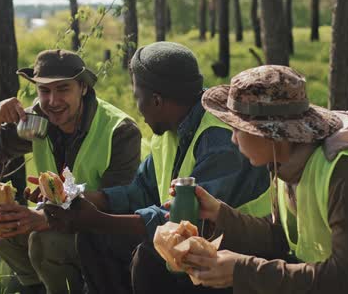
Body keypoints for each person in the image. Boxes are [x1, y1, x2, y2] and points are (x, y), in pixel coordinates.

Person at [44, 42, 272, 294]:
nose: (137, 107)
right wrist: (81, 199)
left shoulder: (219, 139)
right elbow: (140, 191)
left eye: (137, 97)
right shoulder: (169, 128)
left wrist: (99, 219)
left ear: (156, 100)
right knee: (95, 238)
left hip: (238, 255)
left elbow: (189, 222)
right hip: (192, 245)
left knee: (148, 259)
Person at [175, 65, 348, 294]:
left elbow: (346, 278)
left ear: (270, 134)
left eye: (238, 129)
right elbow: (282, 238)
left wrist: (243, 271)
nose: (233, 139)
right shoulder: (288, 163)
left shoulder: (347, 170)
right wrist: (219, 213)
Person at [0, 49, 142, 293]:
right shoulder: (38, 120)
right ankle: (36, 287)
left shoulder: (119, 130)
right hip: (61, 219)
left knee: (44, 240)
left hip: (107, 234)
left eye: (63, 89)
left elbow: (116, 202)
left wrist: (49, 215)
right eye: (44, 90)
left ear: (83, 88)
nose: (53, 101)